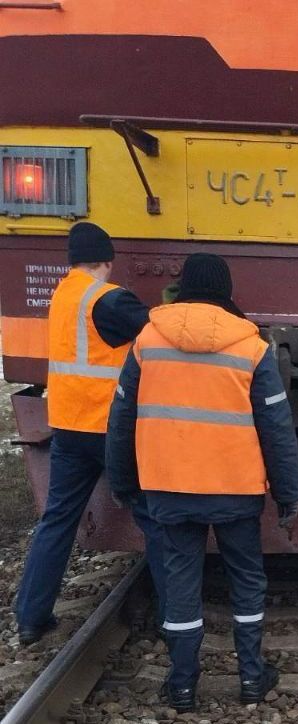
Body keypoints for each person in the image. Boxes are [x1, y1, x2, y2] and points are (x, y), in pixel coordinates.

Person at [106, 253, 298, 713]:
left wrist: (122, 481)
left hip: (169, 488)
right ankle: (253, 678)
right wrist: (289, 493)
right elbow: (277, 428)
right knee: (246, 580)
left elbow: (121, 419)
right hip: (235, 490)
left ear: (182, 288)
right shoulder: (250, 347)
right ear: (226, 293)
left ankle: (182, 687)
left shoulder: (148, 341)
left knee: (179, 585)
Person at [15, 222, 167, 645]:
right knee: (155, 520)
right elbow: (159, 334)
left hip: (67, 427)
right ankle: (171, 615)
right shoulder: (109, 299)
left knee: (57, 521)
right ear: (107, 260)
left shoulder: (63, 294)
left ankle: (31, 618)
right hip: (109, 431)